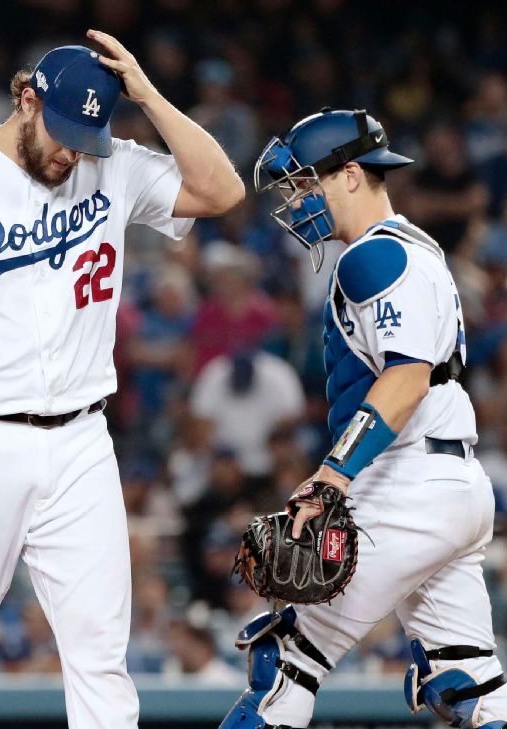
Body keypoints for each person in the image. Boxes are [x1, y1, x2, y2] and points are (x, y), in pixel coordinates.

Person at [0, 30, 243, 728]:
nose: (71, 152)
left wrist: (146, 96)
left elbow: (222, 190)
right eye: (62, 131)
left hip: (82, 440)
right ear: (27, 99)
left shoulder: (111, 162)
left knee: (99, 654)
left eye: (85, 137)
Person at [222, 108, 506, 728]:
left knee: (288, 658)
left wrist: (331, 477)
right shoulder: (416, 246)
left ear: (350, 175)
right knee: (469, 686)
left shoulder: (370, 258)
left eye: (305, 183)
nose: (296, 201)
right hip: (454, 481)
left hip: (407, 482)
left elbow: (405, 378)